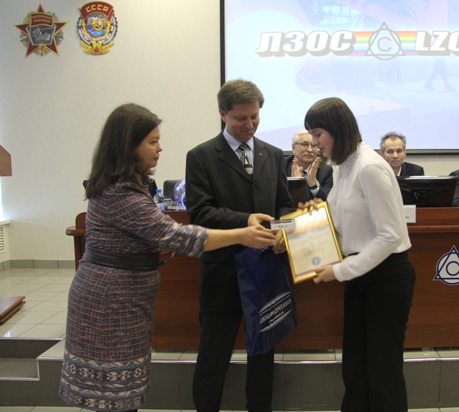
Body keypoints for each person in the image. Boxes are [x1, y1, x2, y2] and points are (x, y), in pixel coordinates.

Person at [59, 103, 275, 412]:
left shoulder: (129, 184)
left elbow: (139, 235)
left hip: (125, 299)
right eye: (152, 141)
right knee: (111, 395)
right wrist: (242, 234)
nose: (160, 148)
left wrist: (151, 247)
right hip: (110, 303)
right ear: (128, 145)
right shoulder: (120, 191)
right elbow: (180, 236)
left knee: (122, 392)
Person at [185, 79, 295, 412]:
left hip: (266, 270)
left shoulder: (272, 154)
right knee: (213, 356)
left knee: (263, 353)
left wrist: (285, 231)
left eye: (254, 117)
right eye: (240, 118)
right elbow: (200, 213)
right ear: (223, 114)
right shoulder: (201, 156)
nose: (249, 125)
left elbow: (285, 205)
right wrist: (245, 220)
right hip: (223, 271)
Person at [303, 97, 416, 411]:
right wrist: (317, 215)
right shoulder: (344, 165)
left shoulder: (370, 167)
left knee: (382, 370)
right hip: (360, 277)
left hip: (386, 278)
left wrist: (339, 271)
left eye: (318, 134)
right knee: (355, 366)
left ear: (337, 129)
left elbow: (390, 235)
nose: (314, 143)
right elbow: (346, 222)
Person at [285, 129, 333, 201]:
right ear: (294, 148)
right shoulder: (281, 166)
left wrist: (313, 185)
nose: (310, 150)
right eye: (305, 144)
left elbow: (327, 202)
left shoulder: (325, 171)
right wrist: (297, 184)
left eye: (314, 145)